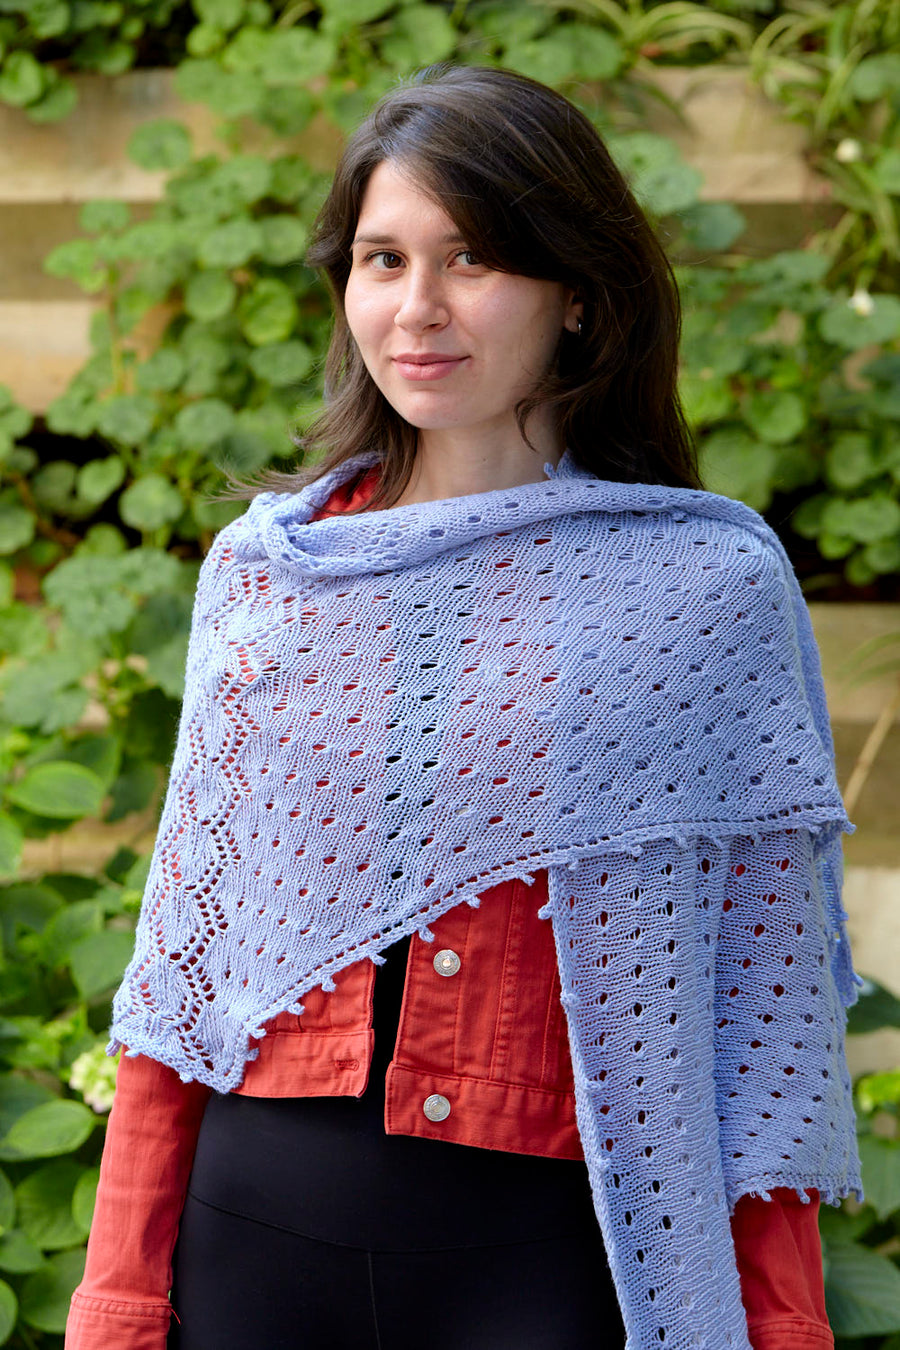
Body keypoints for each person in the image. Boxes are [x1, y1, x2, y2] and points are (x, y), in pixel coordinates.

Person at [66, 64, 861, 1350]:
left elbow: (758, 1017)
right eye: (382, 260)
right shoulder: (268, 580)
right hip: (252, 1242)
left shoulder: (706, 588)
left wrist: (784, 1327)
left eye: (472, 259)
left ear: (578, 295)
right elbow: (183, 983)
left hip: (548, 1261)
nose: (418, 308)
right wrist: (115, 1305)